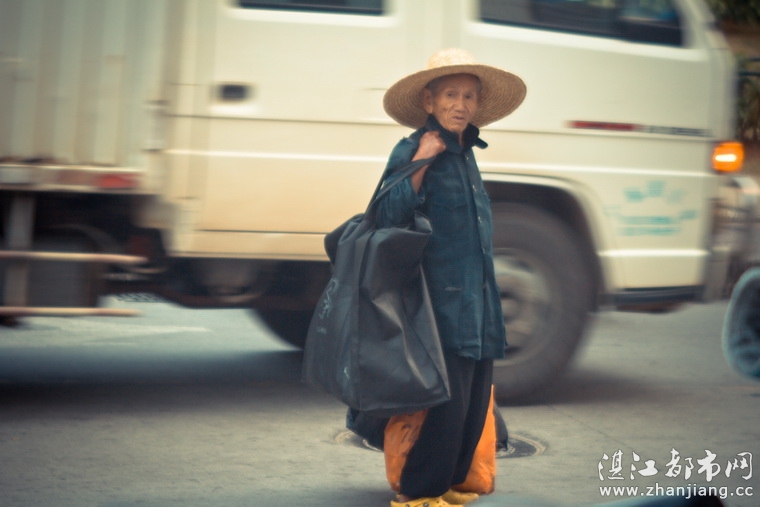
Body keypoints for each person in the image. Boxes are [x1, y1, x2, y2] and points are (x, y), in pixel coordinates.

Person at [376, 49, 527, 507]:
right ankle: (418, 491)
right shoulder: (413, 148)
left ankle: (451, 482)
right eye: (450, 95)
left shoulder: (466, 154)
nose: (460, 105)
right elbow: (387, 214)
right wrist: (423, 158)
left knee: (472, 399)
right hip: (438, 301)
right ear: (429, 101)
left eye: (468, 97)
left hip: (477, 299)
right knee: (445, 402)